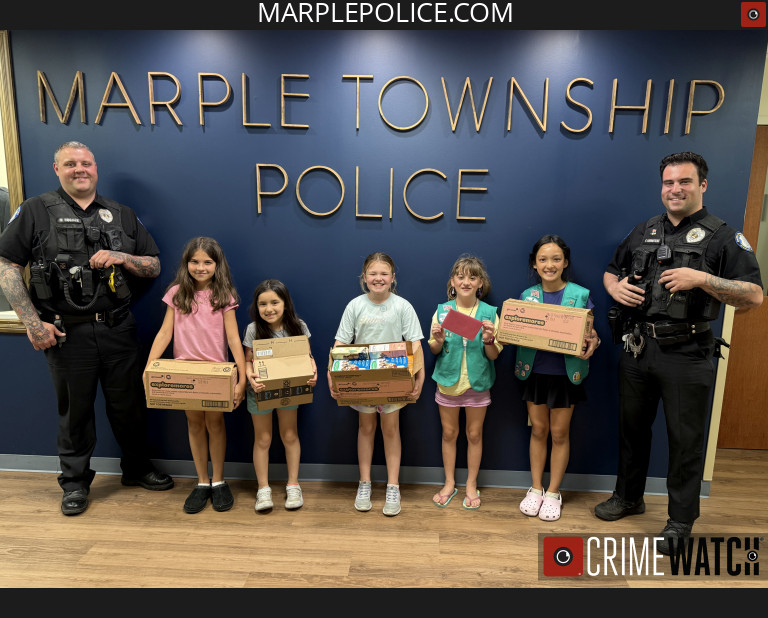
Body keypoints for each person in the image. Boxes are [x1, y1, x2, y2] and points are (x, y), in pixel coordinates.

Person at [594, 151, 763, 554]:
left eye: (684, 182)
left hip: (688, 352)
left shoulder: (723, 235)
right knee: (631, 430)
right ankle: (629, 498)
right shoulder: (644, 230)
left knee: (685, 440)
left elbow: (754, 296)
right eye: (669, 182)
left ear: (702, 185)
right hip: (638, 347)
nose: (675, 189)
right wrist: (614, 287)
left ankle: (680, 520)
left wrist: (701, 277)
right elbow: (611, 269)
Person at [0, 141, 174, 516]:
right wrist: (32, 324)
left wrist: (122, 256)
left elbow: (154, 265)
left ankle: (137, 469)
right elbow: (7, 267)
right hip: (65, 335)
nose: (80, 169)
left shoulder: (122, 214)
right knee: (74, 412)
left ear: (96, 168)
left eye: (86, 163)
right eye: (71, 164)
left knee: (129, 406)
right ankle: (75, 484)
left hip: (117, 328)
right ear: (56, 169)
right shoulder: (34, 210)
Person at [146, 236, 246, 514]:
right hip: (185, 371)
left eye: (207, 262)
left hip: (215, 371)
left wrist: (241, 377)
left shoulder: (224, 295)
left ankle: (219, 480)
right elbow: (165, 332)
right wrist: (150, 367)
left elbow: (233, 337)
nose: (200, 267)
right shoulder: (178, 293)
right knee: (193, 424)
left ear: (217, 264)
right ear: (186, 263)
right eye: (195, 261)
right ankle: (202, 481)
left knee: (215, 424)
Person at [328, 252, 424, 516]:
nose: (378, 278)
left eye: (384, 274)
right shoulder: (355, 306)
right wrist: (331, 372)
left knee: (391, 430)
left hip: (394, 379)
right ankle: (365, 483)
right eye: (373, 273)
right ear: (364, 277)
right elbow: (340, 344)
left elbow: (415, 343)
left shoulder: (402, 306)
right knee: (366, 428)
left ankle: (393, 486)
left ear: (393, 278)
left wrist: (419, 375)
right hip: (362, 379)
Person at [514, 235, 600, 522]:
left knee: (560, 433)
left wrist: (593, 340)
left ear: (565, 263)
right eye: (542, 259)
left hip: (565, 374)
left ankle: (553, 492)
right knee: (538, 430)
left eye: (555, 259)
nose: (549, 265)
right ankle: (536, 488)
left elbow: (591, 333)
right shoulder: (527, 296)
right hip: (535, 372)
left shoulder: (581, 295)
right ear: (534, 264)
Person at [429, 254, 502, 510]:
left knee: (474, 434)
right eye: (460, 276)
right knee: (449, 433)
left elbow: (493, 355)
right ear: (452, 281)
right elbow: (436, 351)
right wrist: (437, 340)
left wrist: (489, 341)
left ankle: (471, 483)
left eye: (472, 277)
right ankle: (449, 483)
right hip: (448, 382)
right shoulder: (442, 311)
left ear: (481, 283)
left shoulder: (490, 313)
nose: (466, 282)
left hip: (478, 382)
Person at [242, 279, 317, 513]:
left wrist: (312, 372)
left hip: (288, 391)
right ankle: (263, 488)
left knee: (289, 435)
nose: (269, 309)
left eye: (275, 302)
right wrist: (250, 377)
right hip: (261, 391)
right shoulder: (253, 329)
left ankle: (293, 484)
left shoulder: (298, 326)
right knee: (263, 439)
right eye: (262, 304)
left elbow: (308, 357)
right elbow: (247, 360)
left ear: (285, 303)